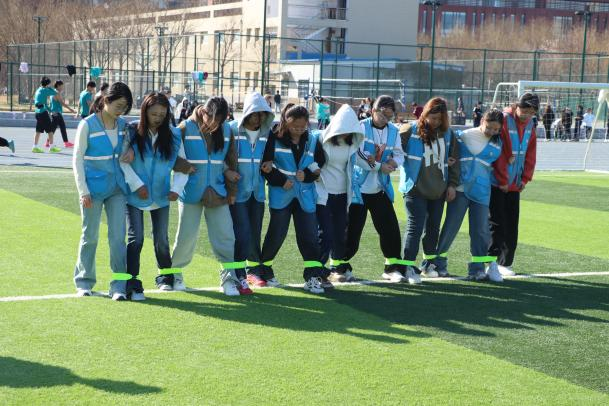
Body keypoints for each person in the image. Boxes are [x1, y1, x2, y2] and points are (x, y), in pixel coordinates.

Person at [169, 97, 243, 296]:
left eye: (220, 121)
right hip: (190, 192)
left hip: (218, 192)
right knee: (185, 237)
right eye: (213, 119)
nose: (215, 124)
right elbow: (170, 155)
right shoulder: (184, 128)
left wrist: (232, 191)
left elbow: (231, 162)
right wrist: (184, 166)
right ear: (204, 112)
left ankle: (228, 279)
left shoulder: (226, 130)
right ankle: (175, 275)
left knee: (226, 236)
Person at [120, 92, 186, 301]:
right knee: (136, 239)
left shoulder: (174, 135)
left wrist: (176, 188)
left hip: (162, 195)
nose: (157, 118)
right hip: (135, 196)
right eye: (153, 114)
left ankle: (165, 277)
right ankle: (132, 282)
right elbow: (123, 162)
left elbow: (183, 165)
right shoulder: (132, 131)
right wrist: (137, 185)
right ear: (144, 112)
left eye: (162, 115)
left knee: (161, 239)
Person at [72, 82, 133, 300]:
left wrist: (131, 151)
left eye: (125, 107)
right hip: (92, 190)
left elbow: (129, 149)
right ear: (106, 101)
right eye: (118, 105)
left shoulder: (124, 126)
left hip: (117, 189)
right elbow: (77, 159)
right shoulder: (87, 124)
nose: (121, 111)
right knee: (90, 236)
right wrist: (83, 191)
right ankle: (84, 281)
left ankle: (118, 286)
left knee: (118, 238)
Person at [259, 104, 328, 293]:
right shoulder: (274, 137)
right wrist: (281, 180)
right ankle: (265, 271)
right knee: (276, 234)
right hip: (281, 194)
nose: (298, 129)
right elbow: (265, 165)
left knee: (310, 237)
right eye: (294, 126)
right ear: (286, 121)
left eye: (302, 126)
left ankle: (312, 277)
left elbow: (320, 161)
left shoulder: (312, 139)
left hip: (305, 196)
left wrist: (308, 175)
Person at [435, 110, 504, 282]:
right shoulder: (463, 136)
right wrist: (451, 185)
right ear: (482, 121)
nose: (492, 132)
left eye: (496, 129)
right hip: (459, 189)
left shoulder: (498, 143)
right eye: (489, 127)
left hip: (481, 192)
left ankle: (477, 269)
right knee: (450, 227)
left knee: (480, 231)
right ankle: (437, 264)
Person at [345, 96, 406, 282]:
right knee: (352, 231)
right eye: (383, 113)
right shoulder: (361, 127)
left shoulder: (394, 131)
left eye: (390, 115)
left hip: (380, 189)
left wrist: (394, 162)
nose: (386, 118)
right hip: (358, 190)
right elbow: (357, 155)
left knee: (390, 230)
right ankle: (339, 266)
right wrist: (380, 166)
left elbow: (399, 154)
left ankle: (392, 268)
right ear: (373, 111)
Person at [399, 97, 460, 281]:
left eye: (440, 119)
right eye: (433, 118)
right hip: (415, 189)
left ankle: (428, 264)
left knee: (433, 229)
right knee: (415, 228)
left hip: (438, 190)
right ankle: (407, 266)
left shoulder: (448, 134)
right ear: (425, 114)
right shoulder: (409, 130)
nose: (436, 122)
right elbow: (395, 151)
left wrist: (452, 185)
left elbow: (455, 161)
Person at [228, 92, 275, 292]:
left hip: (258, 192)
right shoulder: (231, 129)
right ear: (247, 112)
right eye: (255, 113)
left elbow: (270, 156)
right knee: (242, 232)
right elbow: (222, 157)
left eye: (262, 114)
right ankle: (237, 273)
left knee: (254, 232)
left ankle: (251, 271)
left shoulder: (268, 133)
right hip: (237, 192)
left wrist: (269, 163)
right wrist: (227, 172)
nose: (258, 118)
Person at [488, 92, 538, 276]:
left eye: (531, 112)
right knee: (496, 223)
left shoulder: (531, 124)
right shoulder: (503, 120)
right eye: (525, 110)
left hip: (515, 183)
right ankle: (490, 262)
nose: (527, 115)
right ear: (517, 106)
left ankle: (504, 263)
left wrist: (525, 178)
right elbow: (498, 152)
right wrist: (502, 180)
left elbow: (531, 153)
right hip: (496, 183)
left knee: (511, 224)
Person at [315, 104, 364, 282]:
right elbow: (311, 160)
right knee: (325, 233)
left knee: (340, 232)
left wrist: (380, 164)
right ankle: (318, 270)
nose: (346, 133)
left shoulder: (353, 144)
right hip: (324, 193)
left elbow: (362, 162)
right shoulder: (320, 139)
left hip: (343, 194)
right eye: (344, 128)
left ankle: (336, 267)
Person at [32, 76, 60, 154]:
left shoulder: (38, 90)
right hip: (43, 113)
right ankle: (52, 147)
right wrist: (50, 87)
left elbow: (44, 104)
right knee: (50, 131)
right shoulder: (45, 90)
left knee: (38, 131)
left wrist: (50, 111)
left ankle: (35, 147)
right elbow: (55, 92)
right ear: (47, 84)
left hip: (37, 113)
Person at [48, 80, 77, 149]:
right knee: (54, 128)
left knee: (61, 127)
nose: (62, 87)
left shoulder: (52, 93)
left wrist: (50, 112)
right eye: (61, 86)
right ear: (58, 86)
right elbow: (62, 103)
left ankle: (66, 142)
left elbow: (50, 104)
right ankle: (49, 142)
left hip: (55, 113)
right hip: (56, 113)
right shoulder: (56, 93)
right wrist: (71, 109)